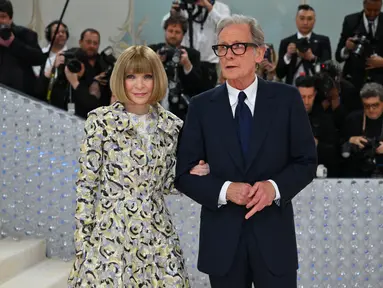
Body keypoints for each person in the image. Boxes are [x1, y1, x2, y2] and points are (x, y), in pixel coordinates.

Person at [175, 14, 317, 288]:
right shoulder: (201, 106)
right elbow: (183, 174)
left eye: (238, 46)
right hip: (223, 245)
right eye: (222, 48)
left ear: (259, 53)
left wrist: (273, 188)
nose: (228, 55)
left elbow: (306, 161)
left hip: (274, 242)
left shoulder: (286, 99)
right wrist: (225, 190)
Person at [67, 45, 210, 287]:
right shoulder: (101, 122)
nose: (139, 85)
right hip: (110, 234)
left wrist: (191, 175)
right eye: (131, 77)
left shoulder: (172, 125)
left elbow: (166, 183)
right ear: (120, 79)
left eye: (147, 76)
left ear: (158, 78)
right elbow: (86, 187)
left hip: (156, 231)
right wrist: (83, 243)